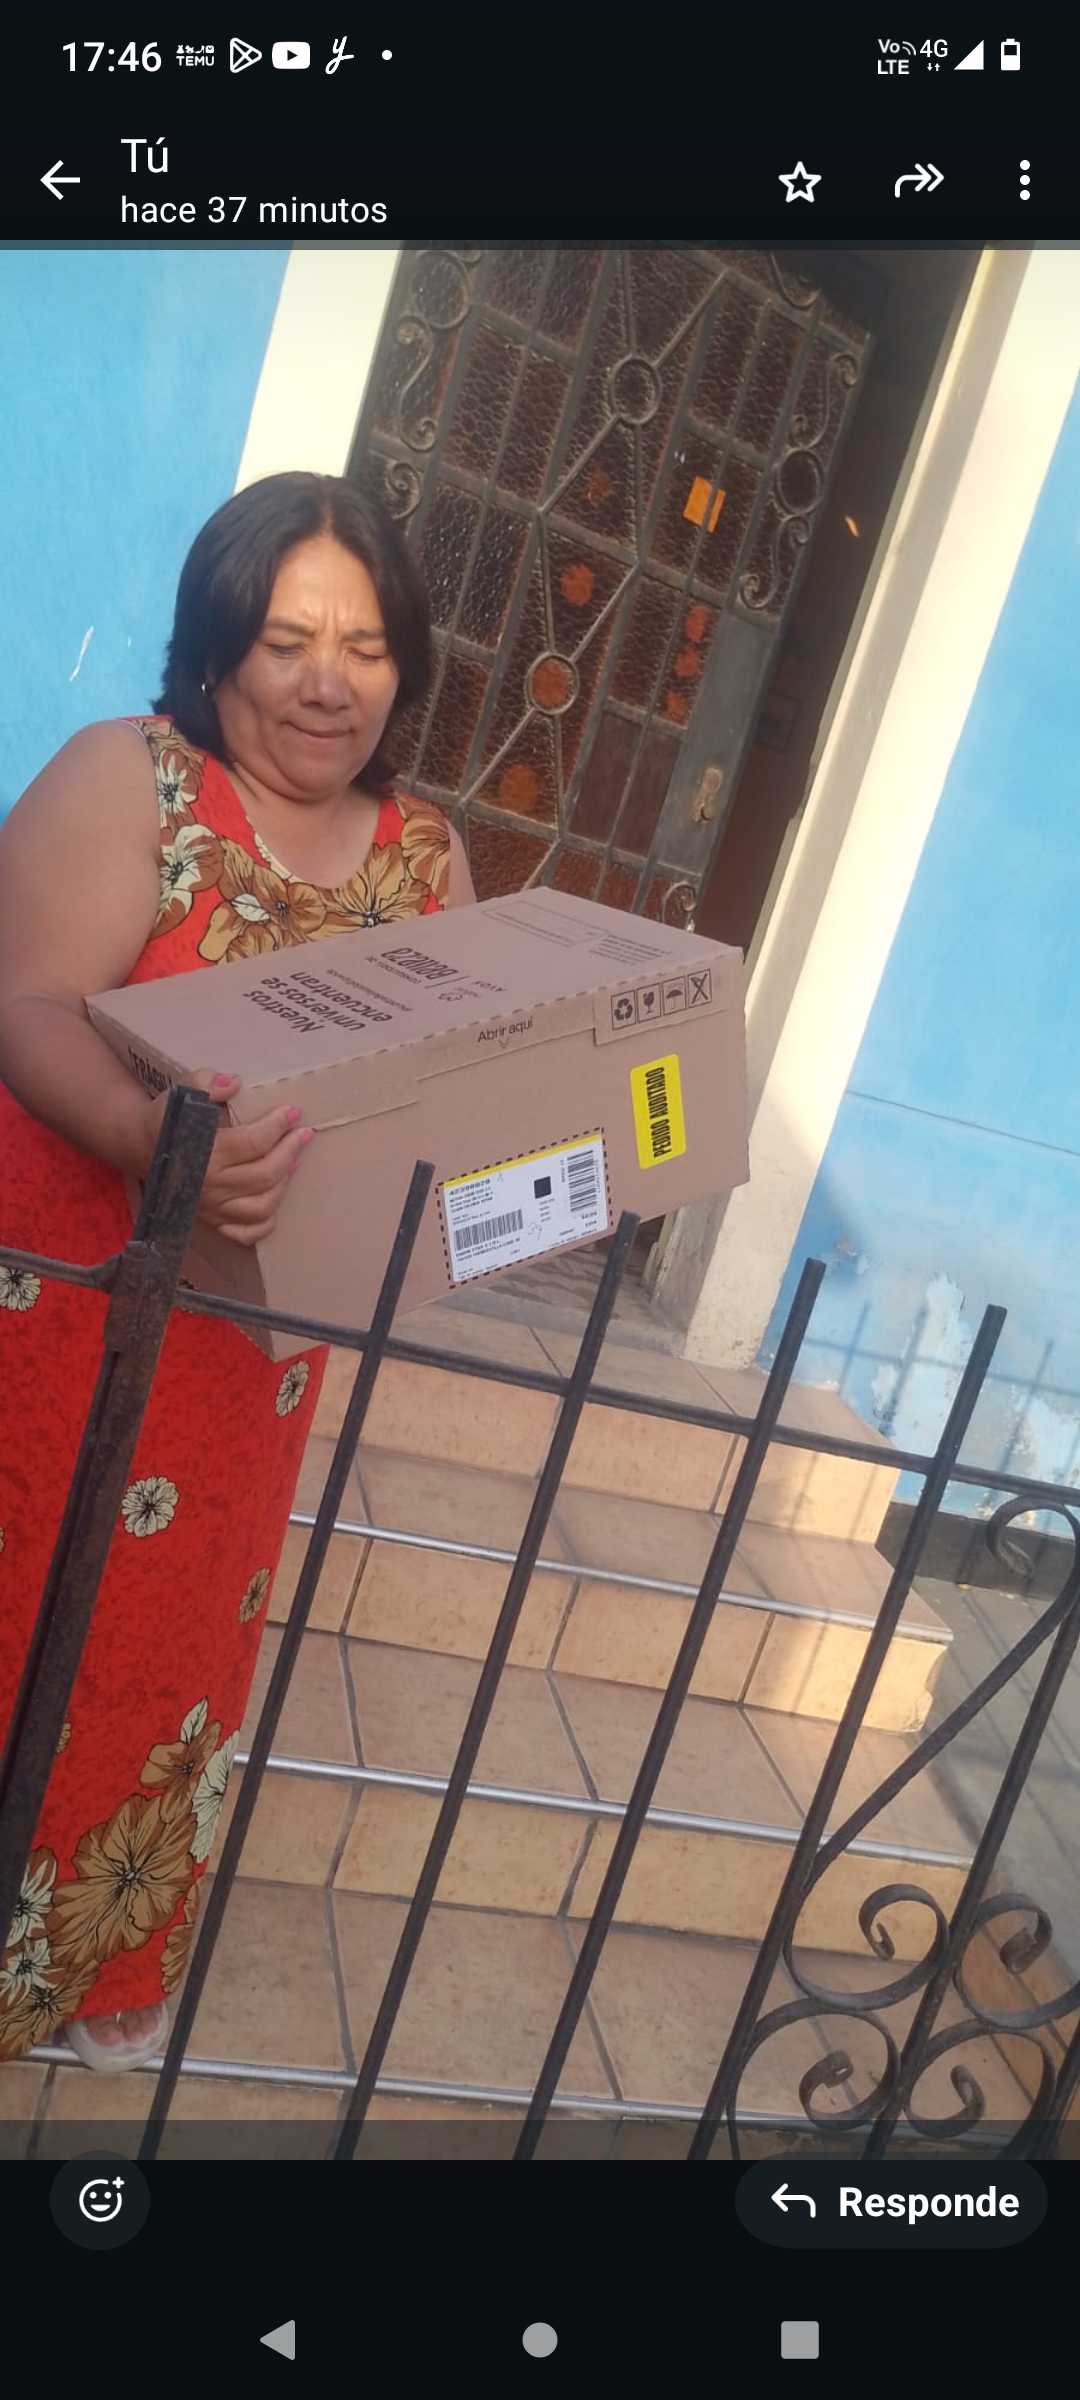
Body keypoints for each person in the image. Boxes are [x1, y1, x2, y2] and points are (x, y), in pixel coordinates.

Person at [0, 471, 475, 2070]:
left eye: (366, 646)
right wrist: (155, 1142)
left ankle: (81, 1965)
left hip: (242, 1364)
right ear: (215, 651)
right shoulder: (128, 781)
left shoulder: (425, 863)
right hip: (58, 1306)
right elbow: (27, 1002)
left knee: (167, 1647)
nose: (329, 681)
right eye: (287, 642)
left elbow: (460, 1098)